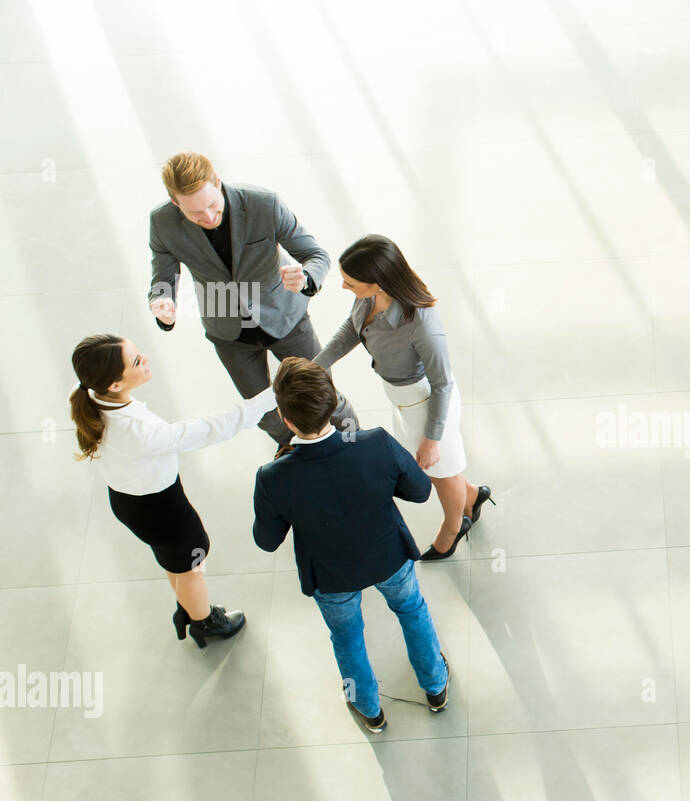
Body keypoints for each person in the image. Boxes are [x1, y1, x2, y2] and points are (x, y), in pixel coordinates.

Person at [251, 357, 450, 732]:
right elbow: (421, 492)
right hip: (389, 556)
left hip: (331, 576)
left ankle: (369, 709)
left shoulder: (273, 476)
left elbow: (267, 540)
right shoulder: (374, 443)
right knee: (411, 610)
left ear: (285, 418)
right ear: (334, 401)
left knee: (346, 636)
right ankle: (436, 686)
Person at [69, 334, 275, 647]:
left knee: (174, 560)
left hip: (130, 503)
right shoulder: (141, 433)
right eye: (137, 361)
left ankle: (189, 608)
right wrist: (271, 397)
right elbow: (210, 429)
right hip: (162, 509)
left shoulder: (87, 393)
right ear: (114, 385)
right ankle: (204, 621)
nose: (146, 358)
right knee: (193, 563)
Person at [147, 150, 359, 450]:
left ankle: (354, 443)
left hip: (285, 317)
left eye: (211, 205)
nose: (207, 217)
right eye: (194, 213)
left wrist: (307, 278)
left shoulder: (263, 203)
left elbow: (315, 255)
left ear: (217, 183)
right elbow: (162, 278)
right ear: (174, 202)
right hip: (228, 332)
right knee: (263, 412)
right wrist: (162, 303)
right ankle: (293, 452)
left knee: (323, 395)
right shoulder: (162, 223)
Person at [313, 234, 492, 560]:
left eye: (350, 283)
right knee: (443, 469)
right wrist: (318, 365)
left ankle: (453, 528)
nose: (344, 288)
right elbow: (352, 329)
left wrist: (433, 439)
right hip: (403, 399)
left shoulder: (422, 324)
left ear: (378, 283)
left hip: (428, 404)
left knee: (441, 472)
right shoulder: (367, 301)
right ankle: (471, 496)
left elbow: (442, 386)